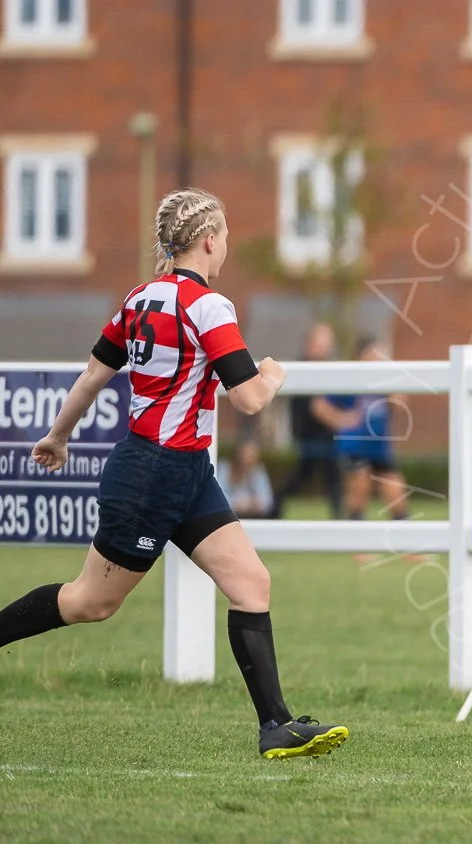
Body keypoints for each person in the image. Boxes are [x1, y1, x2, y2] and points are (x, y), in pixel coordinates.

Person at [0, 188, 348, 759]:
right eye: (227, 233)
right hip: (151, 475)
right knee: (91, 601)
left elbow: (91, 378)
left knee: (250, 583)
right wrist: (275, 374)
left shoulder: (139, 298)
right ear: (211, 239)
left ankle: (276, 728)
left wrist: (58, 434)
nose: (228, 242)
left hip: (186, 472)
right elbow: (251, 399)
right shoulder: (209, 306)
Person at [332, 337, 413, 525]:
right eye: (372, 353)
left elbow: (401, 403)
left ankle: (408, 542)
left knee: (395, 491)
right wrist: (341, 419)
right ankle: (357, 543)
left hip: (380, 447)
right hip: (355, 445)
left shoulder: (386, 380)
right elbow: (319, 405)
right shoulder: (350, 379)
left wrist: (391, 378)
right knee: (359, 489)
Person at [272, 322, 344, 519]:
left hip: (324, 436)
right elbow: (317, 407)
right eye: (323, 343)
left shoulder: (323, 369)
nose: (327, 348)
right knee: (307, 477)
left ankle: (340, 518)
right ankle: (273, 508)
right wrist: (345, 421)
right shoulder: (303, 368)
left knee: (330, 478)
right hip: (311, 436)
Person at [219, 439, 275, 519]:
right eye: (246, 454)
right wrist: (237, 503)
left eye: (253, 455)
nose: (249, 459)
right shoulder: (225, 468)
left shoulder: (258, 471)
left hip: (252, 519)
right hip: (227, 519)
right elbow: (219, 499)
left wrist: (251, 503)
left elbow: (267, 501)